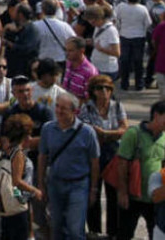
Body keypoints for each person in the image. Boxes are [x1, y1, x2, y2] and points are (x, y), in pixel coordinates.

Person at [36, 92, 99, 240]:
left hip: (78, 184)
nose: (58, 111)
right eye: (57, 106)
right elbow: (42, 157)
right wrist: (41, 184)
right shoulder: (47, 129)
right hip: (55, 183)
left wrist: (94, 189)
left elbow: (95, 162)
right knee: (56, 226)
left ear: (74, 111)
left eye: (63, 108)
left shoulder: (87, 132)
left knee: (75, 229)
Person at [78, 73, 127, 239]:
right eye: (100, 88)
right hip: (94, 154)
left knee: (113, 194)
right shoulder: (87, 108)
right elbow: (88, 133)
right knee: (94, 192)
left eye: (107, 88)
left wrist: (105, 133)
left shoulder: (117, 106)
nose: (104, 92)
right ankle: (95, 231)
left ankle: (113, 232)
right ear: (93, 91)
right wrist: (111, 134)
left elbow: (124, 130)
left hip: (113, 154)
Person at [114, 97, 165, 240]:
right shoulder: (133, 134)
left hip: (154, 199)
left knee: (154, 233)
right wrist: (122, 192)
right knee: (125, 233)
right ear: (156, 115)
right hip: (132, 196)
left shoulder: (164, 138)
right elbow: (122, 164)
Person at [0, 114, 42, 240]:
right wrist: (34, 191)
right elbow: (16, 181)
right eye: (29, 134)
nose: (31, 138)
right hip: (17, 204)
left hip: (7, 203)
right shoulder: (18, 154)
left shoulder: (6, 151)